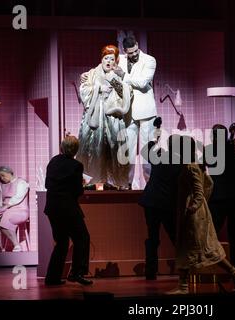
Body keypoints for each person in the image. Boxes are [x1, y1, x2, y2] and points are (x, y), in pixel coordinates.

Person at [167, 137, 235, 295]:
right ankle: (184, 286)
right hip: (192, 212)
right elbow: (209, 184)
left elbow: (199, 192)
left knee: (196, 247)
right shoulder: (193, 165)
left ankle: (185, 286)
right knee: (191, 247)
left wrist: (192, 208)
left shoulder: (191, 166)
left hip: (193, 215)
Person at [77, 44, 132, 189]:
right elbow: (84, 91)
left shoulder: (118, 77)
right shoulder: (92, 74)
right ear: (101, 59)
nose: (108, 61)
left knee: (114, 149)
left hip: (113, 119)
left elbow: (126, 94)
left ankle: (116, 183)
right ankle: (92, 183)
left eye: (112, 59)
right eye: (106, 58)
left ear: (116, 61)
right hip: (96, 118)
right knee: (94, 150)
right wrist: (99, 88)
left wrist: (114, 80)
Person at [44, 135, 93, 286]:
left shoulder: (53, 161)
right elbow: (78, 191)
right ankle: (77, 272)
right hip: (68, 208)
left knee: (61, 242)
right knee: (82, 238)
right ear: (76, 149)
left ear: (62, 147)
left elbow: (47, 184)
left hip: (52, 208)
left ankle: (52, 278)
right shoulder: (76, 166)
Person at [113, 35, 157, 189]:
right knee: (127, 151)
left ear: (138, 45)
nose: (134, 55)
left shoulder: (150, 60)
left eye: (136, 51)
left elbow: (143, 82)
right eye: (130, 53)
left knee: (147, 151)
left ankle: (150, 185)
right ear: (125, 51)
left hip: (146, 111)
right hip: (128, 111)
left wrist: (124, 75)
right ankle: (126, 184)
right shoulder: (121, 60)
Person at [138, 134, 183, 280]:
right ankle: (185, 268)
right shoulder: (181, 163)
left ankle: (151, 271)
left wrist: (155, 138)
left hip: (151, 202)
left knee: (152, 238)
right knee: (175, 237)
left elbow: (146, 149)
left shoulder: (160, 156)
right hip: (167, 204)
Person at [204, 124, 235, 266]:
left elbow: (203, 165)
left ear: (213, 136)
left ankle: (213, 264)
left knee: (212, 232)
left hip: (217, 196)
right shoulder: (231, 149)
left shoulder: (210, 149)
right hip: (234, 196)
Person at [0, 166, 29, 252]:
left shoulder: (21, 182)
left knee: (4, 219)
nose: (2, 178)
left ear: (10, 173)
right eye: (0, 177)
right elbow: (0, 201)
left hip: (20, 210)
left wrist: (8, 205)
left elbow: (18, 197)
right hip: (6, 210)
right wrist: (0, 208)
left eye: (3, 175)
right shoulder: (2, 186)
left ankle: (16, 245)